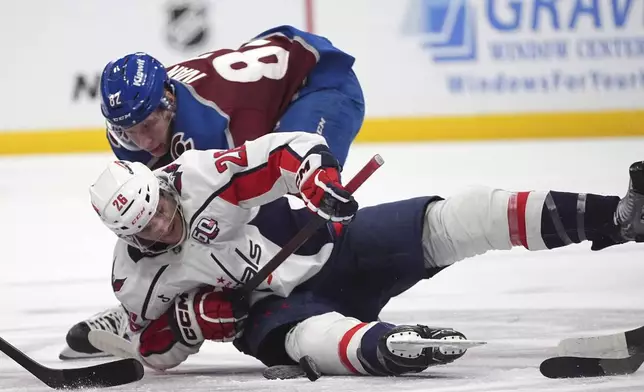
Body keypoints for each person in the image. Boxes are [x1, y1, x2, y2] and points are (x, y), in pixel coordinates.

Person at [87, 130, 644, 376]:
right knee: (309, 340)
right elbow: (151, 349)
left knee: (463, 214)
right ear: (126, 237)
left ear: (157, 184)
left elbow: (284, 151)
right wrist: (190, 322)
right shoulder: (134, 279)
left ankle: (616, 218)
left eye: (159, 207)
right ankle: (391, 349)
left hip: (337, 245)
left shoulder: (198, 175)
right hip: (273, 313)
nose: (163, 223)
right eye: (147, 231)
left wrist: (315, 178)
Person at [59, 24, 365, 360]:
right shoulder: (131, 136)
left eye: (148, 126)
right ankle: (139, 311)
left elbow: (256, 184)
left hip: (317, 83)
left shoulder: (215, 121)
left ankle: (322, 288)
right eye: (128, 132)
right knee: (163, 217)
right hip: (269, 74)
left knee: (292, 195)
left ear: (168, 101)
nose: (143, 142)